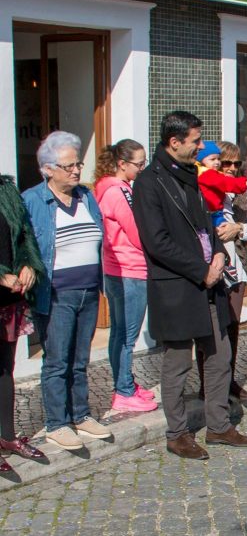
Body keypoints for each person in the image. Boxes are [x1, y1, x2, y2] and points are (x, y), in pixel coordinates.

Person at [134, 111, 247, 460]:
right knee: (177, 364)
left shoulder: (193, 174)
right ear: (175, 143)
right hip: (178, 285)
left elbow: (208, 226)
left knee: (220, 355)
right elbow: (156, 241)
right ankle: (177, 434)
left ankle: (218, 426)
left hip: (211, 281)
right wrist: (201, 270)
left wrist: (218, 254)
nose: (202, 146)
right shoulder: (149, 182)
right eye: (196, 141)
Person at [22, 131, 112, 450]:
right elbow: (23, 243)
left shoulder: (85, 196)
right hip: (56, 293)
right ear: (47, 169)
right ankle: (57, 423)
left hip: (89, 290)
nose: (76, 170)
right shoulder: (33, 200)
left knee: (79, 359)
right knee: (58, 360)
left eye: (78, 164)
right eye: (68, 165)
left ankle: (81, 414)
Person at [94, 138, 157, 413]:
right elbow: (137, 231)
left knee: (120, 333)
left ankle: (125, 383)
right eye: (139, 164)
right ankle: (123, 392)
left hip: (117, 268)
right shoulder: (118, 192)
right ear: (122, 164)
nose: (142, 168)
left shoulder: (109, 188)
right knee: (126, 336)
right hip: (129, 269)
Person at [0, 176, 46, 468]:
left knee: (6, 368)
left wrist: (28, 263)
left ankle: (6, 436)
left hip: (8, 298)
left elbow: (25, 234)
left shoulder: (6, 190)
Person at [216, 141, 247, 403]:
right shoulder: (207, 189)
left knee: (233, 326)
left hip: (238, 266)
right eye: (226, 163)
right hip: (212, 267)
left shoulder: (245, 191)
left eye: (236, 163)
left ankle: (229, 380)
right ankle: (210, 384)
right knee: (213, 329)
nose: (232, 168)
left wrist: (239, 229)